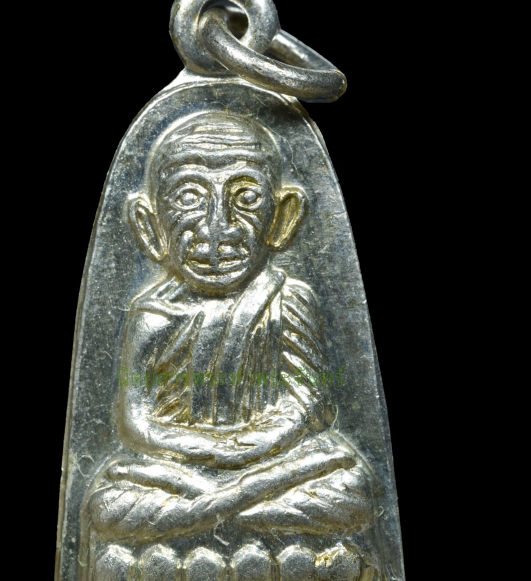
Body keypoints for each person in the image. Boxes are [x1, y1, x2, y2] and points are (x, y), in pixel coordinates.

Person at [88, 113, 373, 545]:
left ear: (282, 217)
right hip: (179, 472)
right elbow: (137, 426)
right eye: (189, 197)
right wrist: (217, 460)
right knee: (109, 499)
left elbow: (310, 407)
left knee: (350, 484)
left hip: (274, 464)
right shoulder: (151, 313)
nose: (217, 226)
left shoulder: (288, 298)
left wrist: (240, 457)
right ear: (149, 224)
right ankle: (236, 515)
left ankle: (206, 516)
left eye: (246, 198)